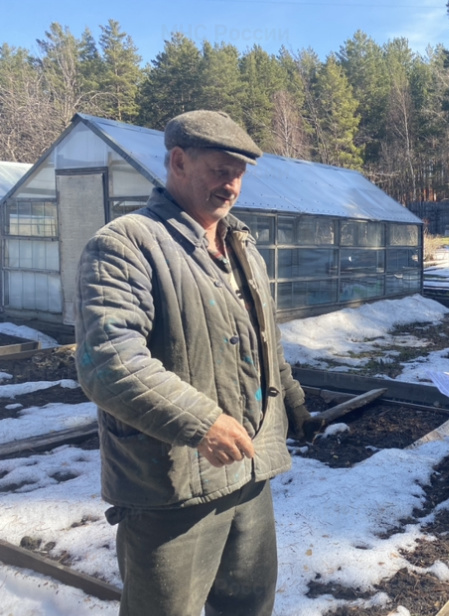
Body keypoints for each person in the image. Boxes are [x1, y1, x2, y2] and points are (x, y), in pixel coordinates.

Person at [75, 110, 320, 616]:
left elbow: (264, 341)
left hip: (250, 469)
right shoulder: (126, 245)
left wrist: (293, 403)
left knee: (249, 608)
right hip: (172, 484)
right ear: (178, 162)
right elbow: (108, 362)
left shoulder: (242, 246)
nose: (231, 184)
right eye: (219, 169)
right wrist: (202, 423)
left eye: (239, 172)